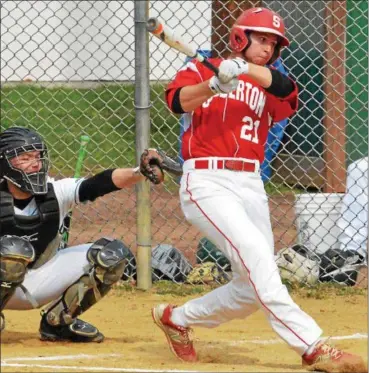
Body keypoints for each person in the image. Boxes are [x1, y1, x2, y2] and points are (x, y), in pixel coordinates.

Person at [150, 7, 366, 372]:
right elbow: (176, 102)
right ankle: (312, 346)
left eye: (273, 43)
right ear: (240, 37)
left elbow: (288, 92)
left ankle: (177, 318)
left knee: (250, 289)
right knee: (258, 256)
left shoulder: (269, 81)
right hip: (207, 182)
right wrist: (214, 85)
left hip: (250, 184)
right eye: (261, 39)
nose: (267, 48)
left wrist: (246, 70)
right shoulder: (201, 69)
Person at [0, 126, 167, 342]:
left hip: (38, 279)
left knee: (111, 255)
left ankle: (58, 322)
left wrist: (139, 172)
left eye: (37, 156)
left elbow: (98, 184)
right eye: (25, 157)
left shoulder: (55, 191)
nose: (35, 163)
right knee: (13, 250)